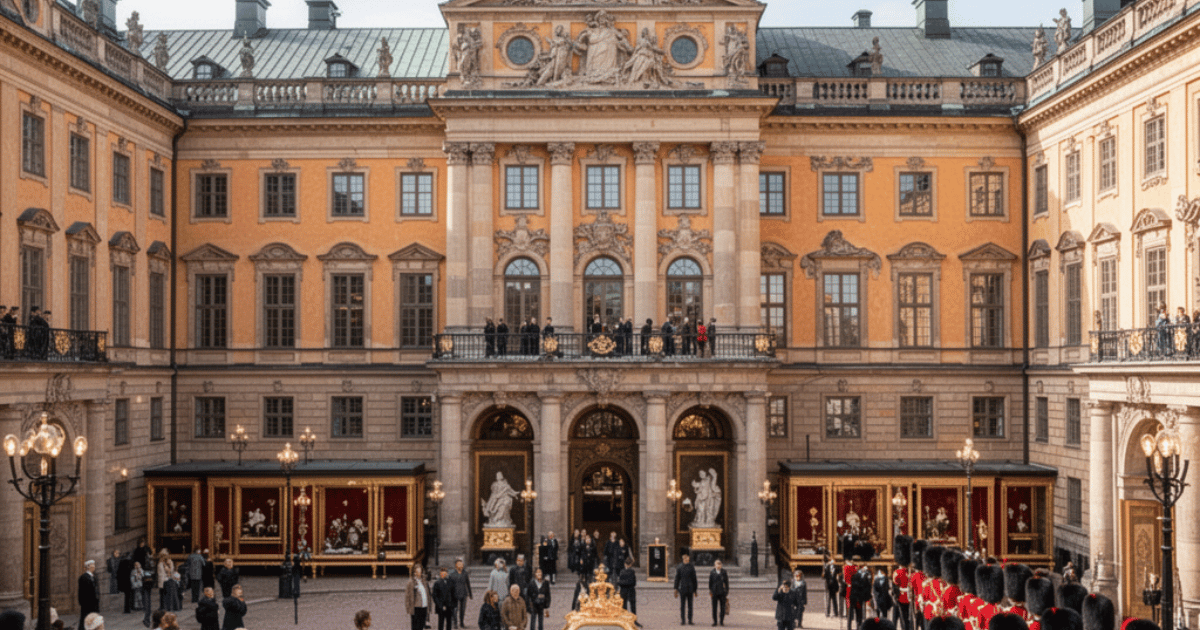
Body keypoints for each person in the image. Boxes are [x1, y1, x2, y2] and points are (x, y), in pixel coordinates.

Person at [675, 552, 698, 625]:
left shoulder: (691, 566)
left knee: (690, 605)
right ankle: (683, 620)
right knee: (682, 605)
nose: (686, 559)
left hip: (690, 588)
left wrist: (695, 590)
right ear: (683, 559)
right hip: (682, 588)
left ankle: (690, 620)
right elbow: (677, 578)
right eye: (685, 558)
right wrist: (675, 588)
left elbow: (694, 579)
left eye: (687, 558)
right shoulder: (679, 567)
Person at [406, 564, 431, 630]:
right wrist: (409, 608)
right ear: (414, 572)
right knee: (415, 626)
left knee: (421, 625)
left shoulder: (424, 581)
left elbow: (427, 593)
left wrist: (429, 605)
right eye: (418, 571)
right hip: (416, 607)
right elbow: (408, 596)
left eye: (420, 571)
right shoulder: (411, 582)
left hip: (424, 606)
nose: (419, 573)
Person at [450, 558, 473, 629]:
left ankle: (462, 622)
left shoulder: (465, 573)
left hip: (463, 593)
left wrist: (470, 594)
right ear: (456, 565)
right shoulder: (452, 574)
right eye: (459, 564)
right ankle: (455, 623)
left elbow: (468, 583)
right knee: (455, 609)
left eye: (462, 564)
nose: (461, 565)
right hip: (455, 594)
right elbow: (450, 586)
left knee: (462, 609)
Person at [78, 559, 101, 630]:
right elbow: (82, 591)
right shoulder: (84, 577)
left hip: (94, 601)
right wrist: (83, 602)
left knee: (93, 618)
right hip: (87, 602)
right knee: (85, 618)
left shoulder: (93, 576)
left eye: (94, 565)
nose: (94, 567)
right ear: (89, 567)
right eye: (92, 565)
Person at [709, 559, 729, 626]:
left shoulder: (724, 572)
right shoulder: (712, 572)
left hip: (722, 592)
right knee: (714, 608)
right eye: (717, 564)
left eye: (720, 564)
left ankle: (721, 621)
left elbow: (726, 582)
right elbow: (710, 582)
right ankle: (715, 621)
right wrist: (710, 591)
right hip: (714, 592)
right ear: (714, 565)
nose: (718, 566)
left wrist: (726, 591)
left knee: (722, 608)